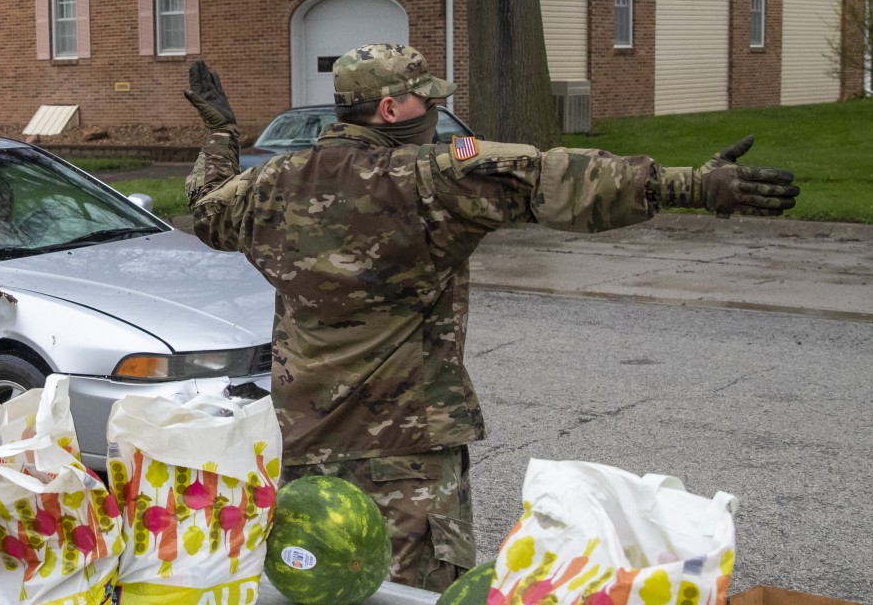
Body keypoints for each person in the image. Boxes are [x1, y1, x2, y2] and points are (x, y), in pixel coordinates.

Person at [181, 44, 799, 592]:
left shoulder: (271, 185)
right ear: (391, 110)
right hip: (409, 449)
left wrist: (220, 132)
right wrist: (693, 185)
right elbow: (552, 177)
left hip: (303, 443)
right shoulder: (434, 179)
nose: (436, 115)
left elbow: (207, 208)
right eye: (427, 102)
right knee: (417, 595)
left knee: (321, 583)